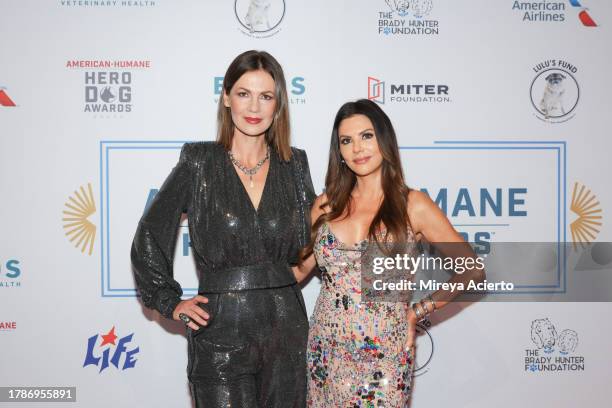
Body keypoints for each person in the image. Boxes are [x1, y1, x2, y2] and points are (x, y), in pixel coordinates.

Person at [131, 50, 316, 408]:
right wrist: (169, 301)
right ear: (227, 97)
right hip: (220, 330)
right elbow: (151, 232)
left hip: (285, 327)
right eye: (244, 93)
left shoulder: (295, 164)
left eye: (266, 96)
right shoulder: (199, 162)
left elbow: (313, 243)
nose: (254, 106)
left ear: (278, 105)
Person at [294, 99, 485, 407]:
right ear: (339, 152)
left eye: (366, 136)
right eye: (347, 140)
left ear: (384, 140)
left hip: (385, 350)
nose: (357, 148)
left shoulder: (414, 204)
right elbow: (298, 272)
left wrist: (417, 312)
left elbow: (473, 271)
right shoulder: (326, 205)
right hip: (326, 349)